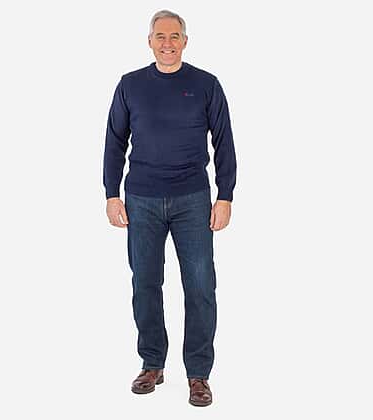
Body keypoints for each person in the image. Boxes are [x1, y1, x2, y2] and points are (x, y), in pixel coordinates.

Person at [102, 9, 237, 407]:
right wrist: (111, 193)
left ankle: (198, 374)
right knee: (145, 283)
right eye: (159, 36)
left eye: (174, 36)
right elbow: (114, 141)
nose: (167, 43)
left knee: (200, 286)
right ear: (149, 42)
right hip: (141, 199)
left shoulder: (206, 85)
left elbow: (224, 141)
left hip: (192, 199)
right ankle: (152, 363)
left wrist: (225, 195)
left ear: (185, 41)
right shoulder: (130, 85)